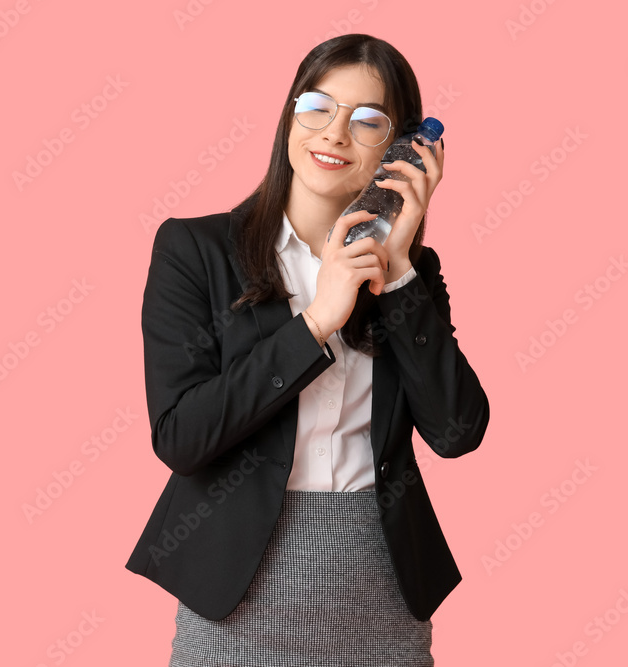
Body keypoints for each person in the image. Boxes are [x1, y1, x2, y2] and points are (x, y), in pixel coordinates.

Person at [124, 33, 491, 666]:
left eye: (368, 121)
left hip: (374, 583)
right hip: (236, 587)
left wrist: (398, 270)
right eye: (317, 106)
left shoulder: (411, 273)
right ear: (291, 113)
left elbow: (457, 431)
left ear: (401, 149)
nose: (334, 134)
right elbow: (181, 437)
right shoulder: (194, 251)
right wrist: (316, 322)